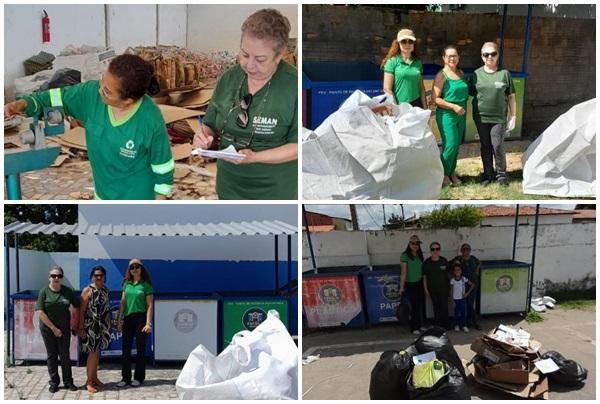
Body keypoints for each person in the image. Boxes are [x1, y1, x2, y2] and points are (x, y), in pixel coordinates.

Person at [4, 54, 174, 200]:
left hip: (137, 200)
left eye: (107, 91)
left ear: (128, 100)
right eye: (101, 82)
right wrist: (24, 103)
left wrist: (157, 204)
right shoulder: (90, 95)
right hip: (103, 195)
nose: (100, 91)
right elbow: (57, 97)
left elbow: (163, 166)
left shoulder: (149, 120)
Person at [192, 9, 297, 200]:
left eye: (260, 59)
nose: (249, 65)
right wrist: (203, 137)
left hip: (273, 191)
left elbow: (300, 147)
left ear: (279, 55)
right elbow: (210, 125)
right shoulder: (229, 79)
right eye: (244, 54)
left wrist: (256, 157)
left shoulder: (293, 87)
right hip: (229, 186)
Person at [468, 42, 517, 187]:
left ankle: (502, 176)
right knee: (485, 146)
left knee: (497, 146)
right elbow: (470, 95)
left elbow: (512, 97)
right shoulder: (476, 74)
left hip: (498, 118)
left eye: (493, 54)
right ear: (482, 56)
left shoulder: (504, 74)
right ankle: (487, 175)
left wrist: (513, 116)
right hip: (480, 117)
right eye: (486, 54)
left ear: (498, 55)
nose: (490, 57)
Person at [35, 266, 80, 393]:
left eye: (59, 276)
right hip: (48, 329)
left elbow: (77, 306)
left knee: (65, 355)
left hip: (64, 329)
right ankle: (54, 382)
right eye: (53, 276)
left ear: (62, 278)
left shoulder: (67, 291)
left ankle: (68, 381)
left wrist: (75, 323)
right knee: (52, 355)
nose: (56, 278)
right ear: (49, 277)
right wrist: (54, 328)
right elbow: (40, 312)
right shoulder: (43, 292)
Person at [432, 45, 469, 186]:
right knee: (450, 146)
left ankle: (452, 172)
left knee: (456, 146)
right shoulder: (441, 75)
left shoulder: (461, 73)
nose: (452, 58)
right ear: (444, 58)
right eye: (449, 56)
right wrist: (453, 106)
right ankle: (442, 175)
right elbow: (435, 99)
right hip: (447, 114)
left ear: (458, 57)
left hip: (461, 114)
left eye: (455, 55)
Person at [116, 259, 154, 387]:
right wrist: (119, 320)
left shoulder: (146, 285)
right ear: (129, 270)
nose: (134, 269)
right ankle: (125, 378)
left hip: (141, 319)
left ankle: (138, 378)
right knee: (126, 350)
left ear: (141, 268)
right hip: (128, 318)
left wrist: (148, 323)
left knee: (140, 350)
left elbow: (149, 305)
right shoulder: (126, 284)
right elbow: (122, 303)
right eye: (132, 267)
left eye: (137, 267)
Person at [78, 266, 111, 393]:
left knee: (97, 352)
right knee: (92, 353)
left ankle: (95, 378)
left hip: (103, 326)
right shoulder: (88, 290)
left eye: (101, 275)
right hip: (91, 327)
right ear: (92, 276)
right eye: (96, 275)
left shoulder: (105, 290)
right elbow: (81, 310)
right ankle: (89, 381)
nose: (99, 277)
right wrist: (81, 327)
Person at [382, 28, 428, 108]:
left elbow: (421, 89)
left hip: (417, 105)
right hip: (399, 106)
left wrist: (425, 108)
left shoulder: (418, 62)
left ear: (414, 44)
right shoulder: (392, 62)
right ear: (398, 43)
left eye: (410, 41)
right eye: (403, 41)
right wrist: (396, 109)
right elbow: (387, 89)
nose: (407, 44)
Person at [399, 235, 426, 335]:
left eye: (417, 243)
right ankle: (414, 327)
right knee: (414, 307)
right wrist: (401, 287)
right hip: (410, 284)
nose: (415, 245)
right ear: (409, 244)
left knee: (420, 306)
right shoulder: (404, 255)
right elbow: (403, 272)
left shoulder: (419, 255)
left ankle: (420, 325)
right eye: (413, 243)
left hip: (419, 283)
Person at [452, 243, 482, 330]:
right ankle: (467, 321)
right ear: (461, 251)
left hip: (473, 285)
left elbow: (480, 263)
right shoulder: (458, 259)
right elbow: (450, 265)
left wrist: (477, 269)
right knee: (464, 305)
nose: (465, 251)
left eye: (467, 249)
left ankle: (474, 321)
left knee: (470, 304)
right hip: (463, 286)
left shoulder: (473, 259)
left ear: (470, 250)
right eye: (464, 249)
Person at [422, 242, 450, 329]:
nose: (435, 251)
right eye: (433, 249)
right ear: (430, 251)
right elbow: (424, 278)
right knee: (436, 308)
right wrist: (426, 290)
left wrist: (450, 290)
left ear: (439, 250)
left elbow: (448, 276)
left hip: (444, 290)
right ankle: (438, 326)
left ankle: (446, 325)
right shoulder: (426, 263)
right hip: (432, 290)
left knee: (444, 307)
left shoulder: (444, 261)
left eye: (437, 249)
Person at [450, 262, 474, 333]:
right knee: (456, 313)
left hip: (462, 299)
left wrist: (467, 293)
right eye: (456, 270)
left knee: (463, 313)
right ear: (453, 272)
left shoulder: (464, 279)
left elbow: (472, 285)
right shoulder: (452, 280)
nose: (457, 271)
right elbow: (451, 290)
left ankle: (464, 325)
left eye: (459, 270)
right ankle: (457, 325)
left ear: (461, 271)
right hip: (455, 299)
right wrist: (452, 300)